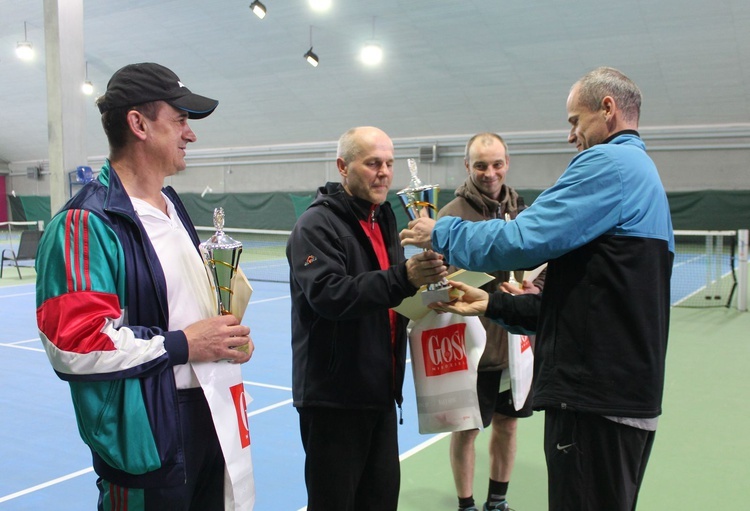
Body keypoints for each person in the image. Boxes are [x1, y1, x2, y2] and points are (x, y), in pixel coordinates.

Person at [400, 67, 674, 511]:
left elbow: (521, 241)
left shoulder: (608, 164)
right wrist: (494, 303)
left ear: (607, 110)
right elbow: (586, 303)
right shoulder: (642, 171)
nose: (571, 136)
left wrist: (442, 232)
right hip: (622, 394)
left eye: (574, 121)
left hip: (594, 400)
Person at [35, 62, 255, 511]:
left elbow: (186, 311)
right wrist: (181, 345)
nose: (190, 134)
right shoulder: (84, 223)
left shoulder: (173, 206)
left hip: (213, 421)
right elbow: (75, 344)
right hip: (150, 443)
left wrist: (224, 340)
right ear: (138, 124)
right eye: (179, 120)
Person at [286, 126, 448, 511]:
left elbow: (388, 296)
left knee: (380, 502)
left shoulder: (385, 218)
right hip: (333, 399)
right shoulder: (315, 225)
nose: (384, 172)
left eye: (389, 163)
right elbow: (329, 294)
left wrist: (428, 292)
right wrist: (404, 278)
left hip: (379, 392)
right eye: (373, 163)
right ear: (343, 167)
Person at [439, 133, 544, 511]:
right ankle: (466, 505)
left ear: (507, 163)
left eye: (497, 164)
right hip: (472, 347)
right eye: (481, 165)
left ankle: (496, 502)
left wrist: (535, 286)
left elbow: (542, 262)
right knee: (467, 429)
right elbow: (436, 279)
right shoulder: (452, 214)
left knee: (509, 423)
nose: (490, 172)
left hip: (517, 344)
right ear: (468, 166)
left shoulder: (525, 209)